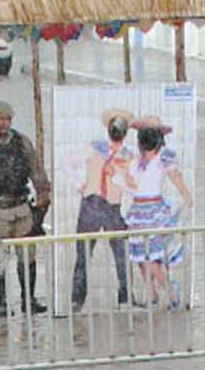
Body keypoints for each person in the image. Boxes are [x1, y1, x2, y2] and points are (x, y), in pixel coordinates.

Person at [0, 99, 49, 317]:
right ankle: (3, 302)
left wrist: (43, 197)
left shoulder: (21, 142)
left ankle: (29, 300)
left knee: (28, 256)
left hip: (21, 207)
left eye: (8, 119)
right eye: (0, 118)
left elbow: (36, 169)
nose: (4, 123)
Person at [68, 106, 134, 314]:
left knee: (120, 254)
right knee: (84, 254)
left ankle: (125, 296)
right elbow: (69, 163)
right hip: (93, 203)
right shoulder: (95, 148)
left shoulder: (127, 155)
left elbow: (130, 184)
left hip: (110, 206)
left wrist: (113, 175)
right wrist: (80, 185)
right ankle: (77, 299)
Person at [123, 118, 193, 310]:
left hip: (152, 211)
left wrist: (186, 195)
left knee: (150, 258)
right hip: (139, 211)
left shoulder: (162, 159)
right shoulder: (135, 161)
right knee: (140, 258)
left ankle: (170, 292)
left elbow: (175, 177)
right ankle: (153, 293)